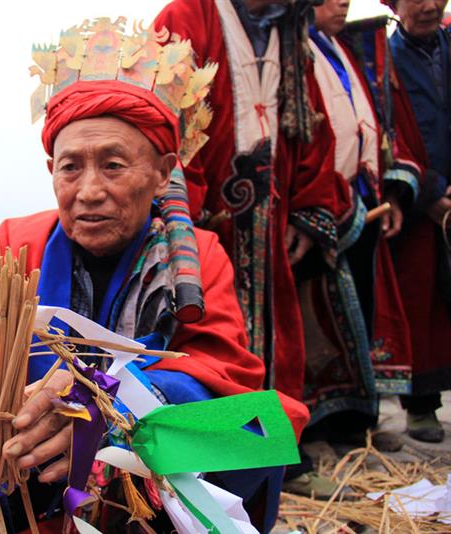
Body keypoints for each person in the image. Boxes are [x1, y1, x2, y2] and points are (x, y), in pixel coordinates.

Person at [0, 18, 309, 534]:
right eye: (70, 168)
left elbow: (219, 380)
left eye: (113, 165)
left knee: (262, 427)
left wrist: (110, 409)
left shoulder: (194, 259)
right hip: (18, 489)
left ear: (162, 171)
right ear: (50, 171)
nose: (88, 190)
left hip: (134, 499)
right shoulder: (13, 244)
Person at [154, 0, 349, 498]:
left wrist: (310, 206)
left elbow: (312, 124)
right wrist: (184, 218)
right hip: (203, 216)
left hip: (269, 213)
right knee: (205, 340)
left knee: (274, 334)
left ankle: (277, 453)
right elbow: (166, 118)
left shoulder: (290, 28)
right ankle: (207, 467)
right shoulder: (190, 16)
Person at [291, 0, 418, 453]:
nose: (341, 1)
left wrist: (392, 193)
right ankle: (314, 428)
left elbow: (375, 125)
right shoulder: (294, 51)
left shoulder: (340, 48)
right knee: (316, 323)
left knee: (358, 310)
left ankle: (353, 424)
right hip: (317, 205)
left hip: (361, 201)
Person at [386, 0, 451, 443]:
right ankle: (422, 405)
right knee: (420, 299)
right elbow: (388, 134)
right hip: (420, 202)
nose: (429, 6)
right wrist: (431, 191)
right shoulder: (383, 62)